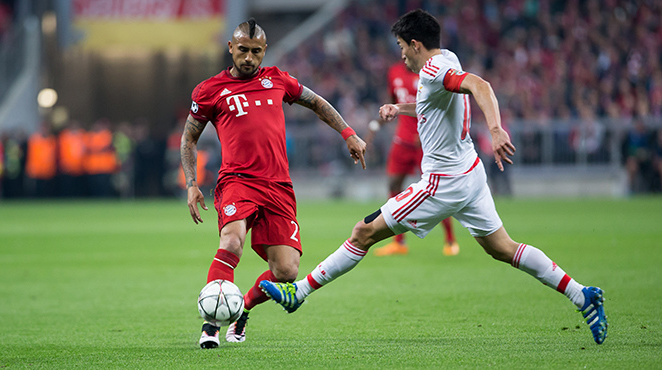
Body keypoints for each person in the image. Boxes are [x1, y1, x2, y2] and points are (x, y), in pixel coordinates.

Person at [260, 10, 607, 345]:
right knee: (503, 248)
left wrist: (497, 129)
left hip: (444, 182)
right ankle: (582, 295)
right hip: (470, 172)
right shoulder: (447, 59)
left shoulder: (432, 68)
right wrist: (401, 109)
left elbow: (479, 85)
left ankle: (299, 291)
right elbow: (437, 100)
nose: (401, 56)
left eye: (400, 47)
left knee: (363, 232)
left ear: (414, 44)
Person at [181, 18, 366, 349]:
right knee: (232, 242)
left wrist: (348, 132)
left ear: (264, 51)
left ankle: (242, 310)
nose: (248, 58)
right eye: (242, 51)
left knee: (286, 272)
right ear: (230, 48)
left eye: (255, 52)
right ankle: (211, 325)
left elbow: (317, 103)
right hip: (237, 180)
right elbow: (189, 138)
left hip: (278, 186)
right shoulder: (209, 90)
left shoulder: (278, 79)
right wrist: (192, 183)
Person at [368, 61, 459, 257]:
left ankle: (450, 240)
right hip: (402, 140)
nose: (403, 53)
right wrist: (376, 125)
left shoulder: (430, 74)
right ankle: (398, 242)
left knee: (436, 190)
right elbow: (393, 100)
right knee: (393, 183)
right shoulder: (394, 72)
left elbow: (441, 106)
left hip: (425, 143)